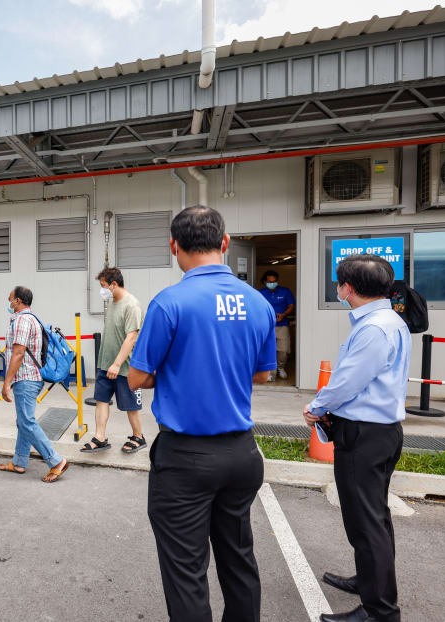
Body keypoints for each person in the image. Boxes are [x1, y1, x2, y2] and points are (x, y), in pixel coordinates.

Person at [127, 206, 276, 622]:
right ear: (225, 243)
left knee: (186, 571)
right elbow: (263, 375)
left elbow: (137, 378)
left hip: (186, 458)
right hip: (242, 455)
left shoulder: (169, 302)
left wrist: (176, 373)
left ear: (174, 246)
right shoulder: (258, 302)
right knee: (239, 559)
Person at [303, 254, 410, 622]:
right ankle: (370, 582)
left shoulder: (374, 328)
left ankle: (379, 611)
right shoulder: (388, 320)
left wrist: (316, 407)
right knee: (374, 518)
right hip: (379, 433)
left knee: (366, 524)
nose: (338, 288)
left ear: (347, 288)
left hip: (365, 435)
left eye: (338, 282)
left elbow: (348, 381)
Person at [0, 286, 69, 483]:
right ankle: (19, 462)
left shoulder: (21, 320)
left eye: (10, 299)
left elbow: (18, 353)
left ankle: (56, 460)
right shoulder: (33, 318)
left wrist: (6, 382)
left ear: (18, 301)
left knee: (26, 422)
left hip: (26, 378)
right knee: (23, 421)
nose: (9, 303)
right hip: (32, 377)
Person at [80, 267, 145, 454]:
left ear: (114, 284)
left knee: (131, 405)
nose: (101, 290)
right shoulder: (113, 302)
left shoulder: (131, 305)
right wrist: (108, 363)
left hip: (124, 366)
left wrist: (117, 364)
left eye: (103, 286)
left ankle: (138, 436)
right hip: (105, 363)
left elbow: (131, 337)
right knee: (101, 400)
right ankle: (100, 438)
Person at [258, 270, 295, 381]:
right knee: (269, 349)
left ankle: (281, 367)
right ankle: (271, 372)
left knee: (283, 349)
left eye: (274, 281)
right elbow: (258, 308)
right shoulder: (261, 293)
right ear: (265, 282)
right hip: (267, 326)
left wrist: (283, 314)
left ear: (277, 281)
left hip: (282, 324)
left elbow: (291, 305)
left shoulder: (285, 291)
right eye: (269, 281)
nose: (272, 283)